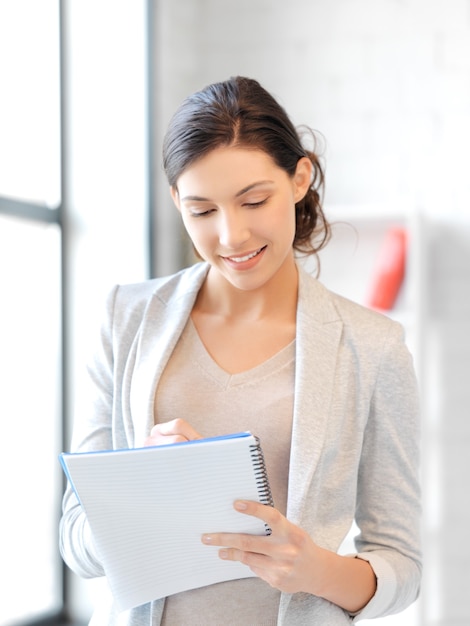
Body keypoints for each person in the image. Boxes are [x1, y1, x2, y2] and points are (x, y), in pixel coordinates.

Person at [60, 76, 421, 625]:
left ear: (299, 177)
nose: (231, 236)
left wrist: (314, 569)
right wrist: (142, 490)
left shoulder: (373, 346)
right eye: (203, 211)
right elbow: (76, 542)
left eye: (254, 200)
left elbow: (402, 565)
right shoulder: (125, 321)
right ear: (178, 200)